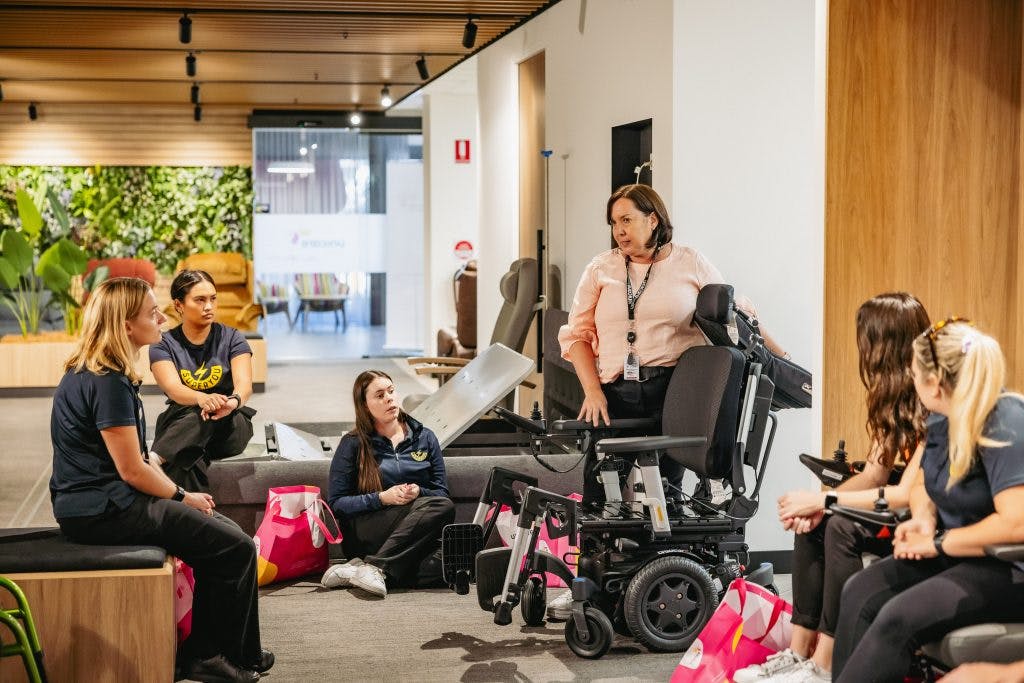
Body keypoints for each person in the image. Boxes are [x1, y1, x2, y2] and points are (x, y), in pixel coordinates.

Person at [550, 183, 786, 619]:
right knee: (599, 495)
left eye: (626, 220)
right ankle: (585, 586)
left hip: (674, 392)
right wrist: (592, 391)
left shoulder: (688, 261)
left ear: (652, 219)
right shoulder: (600, 269)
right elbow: (577, 336)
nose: (618, 230)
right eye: (613, 223)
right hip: (615, 392)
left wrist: (779, 354)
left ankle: (662, 583)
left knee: (665, 497)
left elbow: (736, 307)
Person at [49, 277, 271, 683]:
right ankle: (204, 656)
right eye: (152, 312)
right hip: (103, 510)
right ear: (127, 324)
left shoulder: (101, 373)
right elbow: (132, 470)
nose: (161, 318)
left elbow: (134, 463)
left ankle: (242, 651)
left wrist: (178, 495)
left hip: (108, 502)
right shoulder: (106, 382)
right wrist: (182, 495)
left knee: (229, 533)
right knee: (234, 547)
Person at [733, 292, 930, 683]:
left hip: (927, 520)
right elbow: (875, 475)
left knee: (840, 524)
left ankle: (825, 664)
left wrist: (826, 499)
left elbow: (908, 493)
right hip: (896, 508)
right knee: (817, 521)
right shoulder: (893, 398)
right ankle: (798, 652)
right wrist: (820, 504)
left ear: (884, 345)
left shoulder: (931, 399)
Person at [831, 320, 1024, 682]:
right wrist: (924, 519)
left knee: (897, 617)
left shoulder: (1006, 420)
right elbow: (923, 483)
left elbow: (1016, 523)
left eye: (915, 373)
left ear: (934, 384)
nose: (911, 378)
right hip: (957, 552)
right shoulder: (943, 418)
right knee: (860, 590)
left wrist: (936, 543)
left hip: (1009, 568)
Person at [324, 370, 455, 598]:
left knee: (449, 566)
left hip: (411, 529)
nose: (389, 398)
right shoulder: (352, 443)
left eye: (392, 391)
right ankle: (376, 567)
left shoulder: (425, 437)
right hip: (368, 528)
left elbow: (440, 491)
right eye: (380, 395)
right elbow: (337, 503)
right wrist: (382, 497)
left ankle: (360, 569)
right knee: (442, 507)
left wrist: (418, 492)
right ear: (365, 406)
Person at [150, 269, 256, 491]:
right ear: (178, 305)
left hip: (229, 423)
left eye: (213, 299)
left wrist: (232, 402)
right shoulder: (163, 343)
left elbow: (244, 385)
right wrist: (202, 398)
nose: (209, 306)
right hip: (183, 422)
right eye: (200, 300)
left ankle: (156, 458)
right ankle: (199, 517)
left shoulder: (232, 337)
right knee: (188, 459)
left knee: (212, 414)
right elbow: (172, 388)